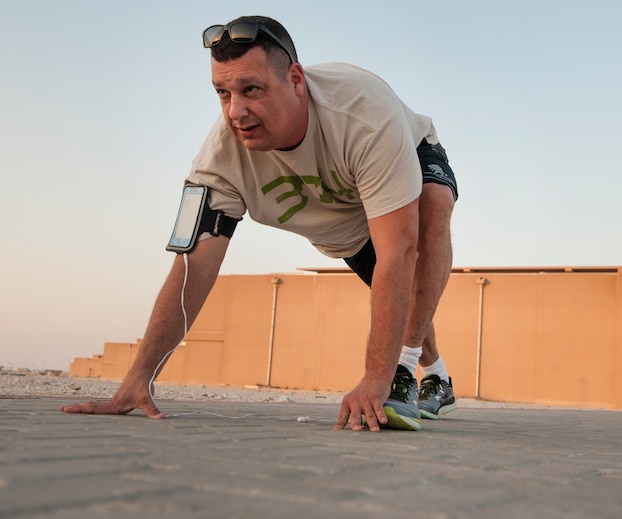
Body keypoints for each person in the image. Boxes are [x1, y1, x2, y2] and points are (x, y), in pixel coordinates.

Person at [61, 15, 458, 432]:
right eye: (222, 93)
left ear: (296, 79)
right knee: (404, 294)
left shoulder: (364, 113)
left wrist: (377, 378)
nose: (237, 111)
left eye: (251, 89)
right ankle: (438, 376)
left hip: (405, 164)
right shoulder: (218, 165)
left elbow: (401, 250)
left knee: (430, 210)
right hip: (341, 228)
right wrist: (138, 378)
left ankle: (405, 372)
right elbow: (190, 269)